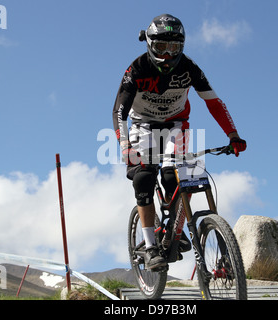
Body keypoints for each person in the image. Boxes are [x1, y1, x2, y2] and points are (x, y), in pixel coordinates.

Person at [112, 14, 247, 270]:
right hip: (143, 125)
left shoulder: (189, 68)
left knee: (179, 176)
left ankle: (175, 226)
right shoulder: (137, 69)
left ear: (182, 47)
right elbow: (119, 111)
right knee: (144, 177)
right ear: (150, 44)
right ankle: (151, 245)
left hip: (176, 125)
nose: (166, 55)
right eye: (161, 47)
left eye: (173, 48)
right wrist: (125, 145)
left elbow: (214, 102)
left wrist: (233, 135)